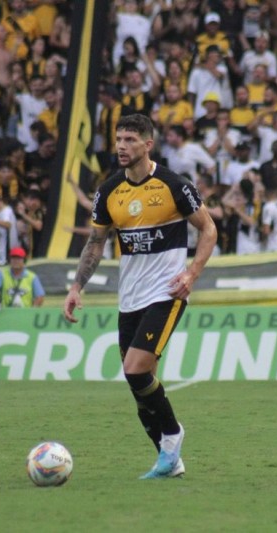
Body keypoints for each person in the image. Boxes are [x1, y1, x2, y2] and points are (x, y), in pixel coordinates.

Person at [62, 114, 217, 479]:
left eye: (130, 139)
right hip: (129, 298)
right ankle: (170, 461)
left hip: (166, 293)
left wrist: (191, 274)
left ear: (148, 144)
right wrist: (75, 287)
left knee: (136, 369)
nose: (121, 145)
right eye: (119, 138)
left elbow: (208, 229)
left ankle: (174, 434)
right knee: (139, 387)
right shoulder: (109, 191)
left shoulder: (174, 185)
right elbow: (96, 243)